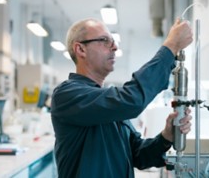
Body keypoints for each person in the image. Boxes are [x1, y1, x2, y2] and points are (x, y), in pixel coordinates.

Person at [51, 17, 193, 178]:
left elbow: (138, 154)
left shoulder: (108, 102)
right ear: (80, 49)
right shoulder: (67, 95)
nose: (115, 47)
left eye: (113, 41)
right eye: (104, 40)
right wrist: (170, 47)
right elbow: (132, 100)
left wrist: (166, 136)